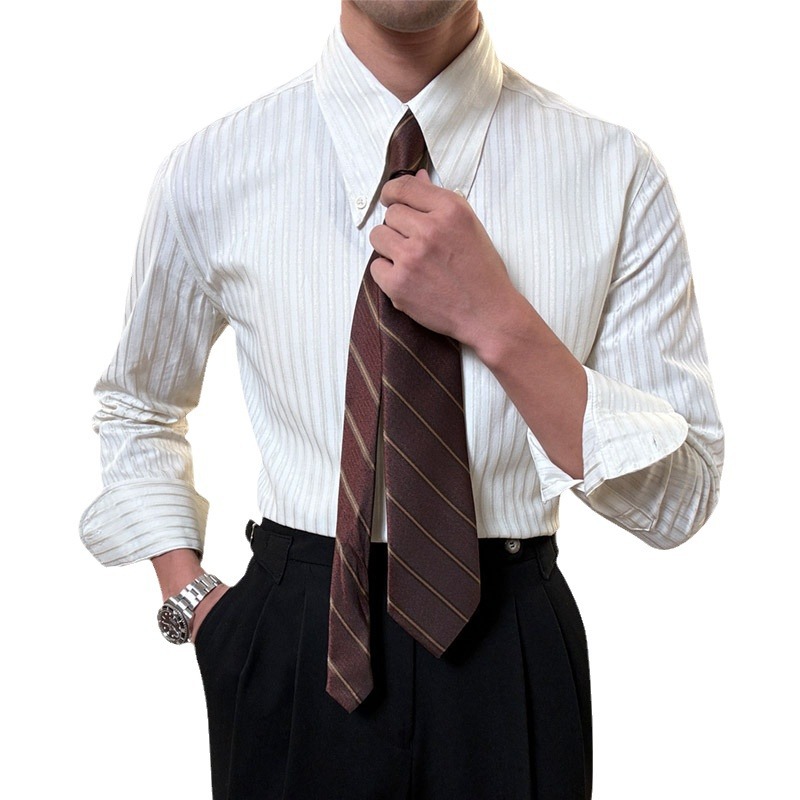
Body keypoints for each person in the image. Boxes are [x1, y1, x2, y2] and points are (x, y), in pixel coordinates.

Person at [78, 1, 724, 798]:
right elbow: (137, 406)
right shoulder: (214, 167)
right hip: (294, 636)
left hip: (511, 645)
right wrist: (195, 604)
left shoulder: (614, 172)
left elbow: (678, 500)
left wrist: (498, 320)